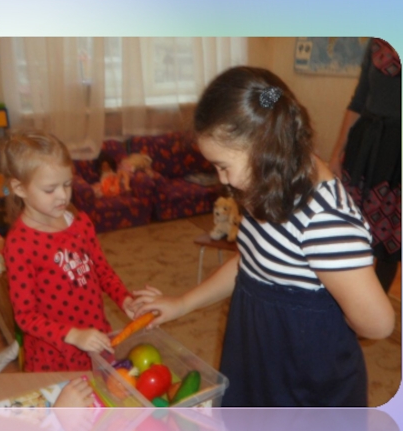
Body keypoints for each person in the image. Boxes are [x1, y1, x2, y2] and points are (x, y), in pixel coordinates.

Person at [132, 66, 395, 407]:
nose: (221, 179)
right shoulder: (268, 183)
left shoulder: (324, 220)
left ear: (263, 146)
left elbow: (379, 324)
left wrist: (333, 315)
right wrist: (183, 303)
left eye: (223, 166)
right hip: (258, 359)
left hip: (304, 385)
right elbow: (251, 262)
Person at [0, 131, 139, 373]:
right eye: (50, 189)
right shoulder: (19, 245)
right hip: (55, 353)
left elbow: (102, 271)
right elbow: (25, 315)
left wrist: (124, 298)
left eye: (67, 184)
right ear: (19, 188)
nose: (63, 196)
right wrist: (73, 335)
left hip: (95, 336)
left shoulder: (79, 222)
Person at [328, 39, 401, 293]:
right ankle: (346, 301)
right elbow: (358, 101)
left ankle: (373, 308)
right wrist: (337, 154)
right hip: (365, 147)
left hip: (397, 155)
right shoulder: (377, 43)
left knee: (390, 239)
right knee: (350, 230)